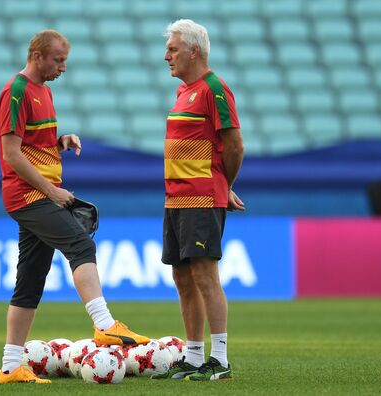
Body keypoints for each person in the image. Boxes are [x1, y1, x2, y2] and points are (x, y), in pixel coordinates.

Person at [0, 30, 149, 385]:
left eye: (65, 60)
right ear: (37, 56)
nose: (63, 67)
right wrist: (52, 191)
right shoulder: (16, 91)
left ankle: (10, 366)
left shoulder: (43, 92)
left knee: (30, 281)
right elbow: (11, 153)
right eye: (57, 60)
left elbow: (33, 144)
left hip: (36, 194)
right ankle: (105, 325)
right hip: (29, 196)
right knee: (81, 244)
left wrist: (58, 142)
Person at [152, 19, 245, 381]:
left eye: (172, 49)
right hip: (175, 199)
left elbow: (235, 145)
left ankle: (219, 358)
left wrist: (223, 184)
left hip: (200, 198)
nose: (166, 57)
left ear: (194, 51)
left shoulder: (214, 89)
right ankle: (193, 356)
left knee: (205, 275)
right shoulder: (184, 92)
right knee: (182, 276)